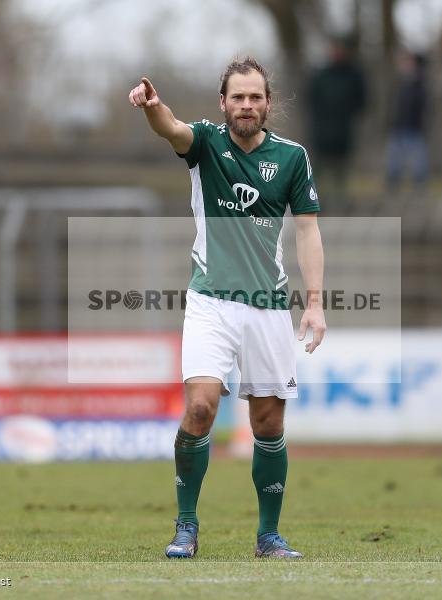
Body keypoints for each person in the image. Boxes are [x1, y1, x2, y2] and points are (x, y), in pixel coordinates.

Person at [127, 57, 326, 559]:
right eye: (237, 97)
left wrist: (316, 303)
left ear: (267, 103)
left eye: (255, 97)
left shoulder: (292, 158)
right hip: (210, 302)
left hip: (267, 308)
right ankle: (186, 527)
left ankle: (268, 537)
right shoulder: (205, 143)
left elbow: (307, 230)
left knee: (268, 425)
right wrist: (152, 106)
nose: (246, 105)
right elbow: (169, 127)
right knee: (200, 407)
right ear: (223, 102)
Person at [306, 37, 367, 196]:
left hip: (343, 130)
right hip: (322, 131)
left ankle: (340, 200)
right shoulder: (321, 75)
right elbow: (311, 99)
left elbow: (362, 101)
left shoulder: (354, 75)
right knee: (318, 170)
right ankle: (314, 201)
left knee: (341, 170)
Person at [385, 50, 429, 192]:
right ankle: (393, 186)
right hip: (399, 127)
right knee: (394, 161)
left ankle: (419, 186)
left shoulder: (420, 84)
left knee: (418, 162)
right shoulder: (402, 84)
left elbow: (422, 106)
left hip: (414, 128)